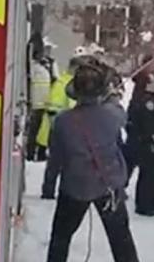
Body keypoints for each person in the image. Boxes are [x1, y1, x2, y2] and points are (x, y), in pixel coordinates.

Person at [42, 55, 140, 262]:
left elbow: (55, 159)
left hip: (75, 186)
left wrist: (49, 185)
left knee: (60, 238)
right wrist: (111, 96)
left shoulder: (62, 122)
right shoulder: (113, 115)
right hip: (109, 187)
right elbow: (119, 112)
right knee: (121, 241)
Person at [125, 56, 154, 216]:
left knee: (153, 168)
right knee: (146, 168)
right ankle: (144, 203)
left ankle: (150, 199)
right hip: (144, 134)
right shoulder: (143, 84)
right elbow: (144, 112)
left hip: (153, 130)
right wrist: (152, 133)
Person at [26, 37, 57, 161]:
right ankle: (31, 153)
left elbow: (55, 80)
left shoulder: (49, 64)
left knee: (44, 132)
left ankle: (41, 154)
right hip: (36, 103)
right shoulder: (33, 66)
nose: (47, 52)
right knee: (34, 130)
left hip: (47, 103)